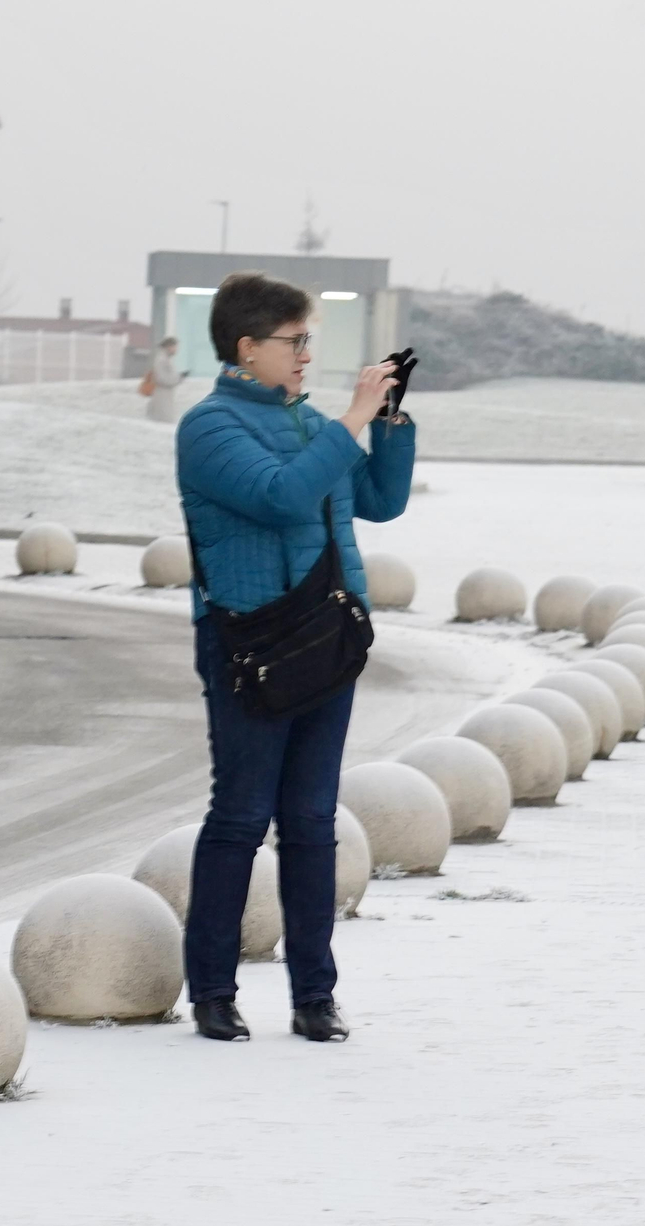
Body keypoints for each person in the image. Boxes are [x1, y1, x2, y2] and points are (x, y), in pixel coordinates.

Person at [175, 271, 415, 1043]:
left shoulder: (315, 424)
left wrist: (388, 419)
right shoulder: (209, 429)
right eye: (295, 341)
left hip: (326, 640)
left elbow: (378, 498)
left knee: (312, 822)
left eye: (310, 339)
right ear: (247, 348)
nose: (308, 354)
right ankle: (212, 990)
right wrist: (348, 417)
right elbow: (280, 496)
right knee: (242, 816)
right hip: (250, 644)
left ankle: (315, 995)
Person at [145, 336, 187, 423]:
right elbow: (162, 379)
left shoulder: (165, 359)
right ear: (169, 346)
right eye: (175, 347)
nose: (176, 349)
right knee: (162, 421)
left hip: (165, 395)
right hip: (162, 395)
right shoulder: (161, 360)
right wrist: (179, 378)